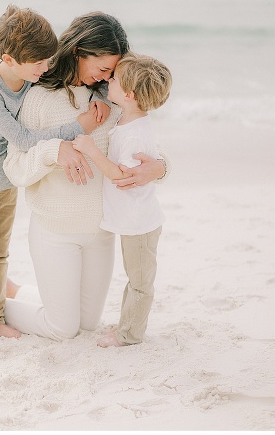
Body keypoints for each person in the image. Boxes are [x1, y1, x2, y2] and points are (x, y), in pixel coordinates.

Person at [1, 11, 169, 341]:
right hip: (56, 229)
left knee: (87, 324)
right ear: (79, 51)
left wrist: (161, 168)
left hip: (100, 233)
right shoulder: (40, 98)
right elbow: (14, 167)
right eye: (103, 69)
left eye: (114, 72)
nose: (108, 78)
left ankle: (17, 290)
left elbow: (146, 147)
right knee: (62, 329)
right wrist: (53, 151)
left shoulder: (114, 99)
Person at [0, 4, 103, 343]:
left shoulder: (29, 78)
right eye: (38, 63)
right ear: (9, 60)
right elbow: (22, 139)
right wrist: (76, 127)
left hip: (5, 178)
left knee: (1, 254)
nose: (46, 68)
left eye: (48, 60)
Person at [72, 54, 172, 347]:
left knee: (140, 283)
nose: (107, 81)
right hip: (133, 219)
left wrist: (91, 150)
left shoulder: (136, 134)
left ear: (128, 94)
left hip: (140, 222)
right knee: (134, 278)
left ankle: (130, 334)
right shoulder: (128, 119)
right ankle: (126, 326)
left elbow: (120, 175)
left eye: (113, 79)